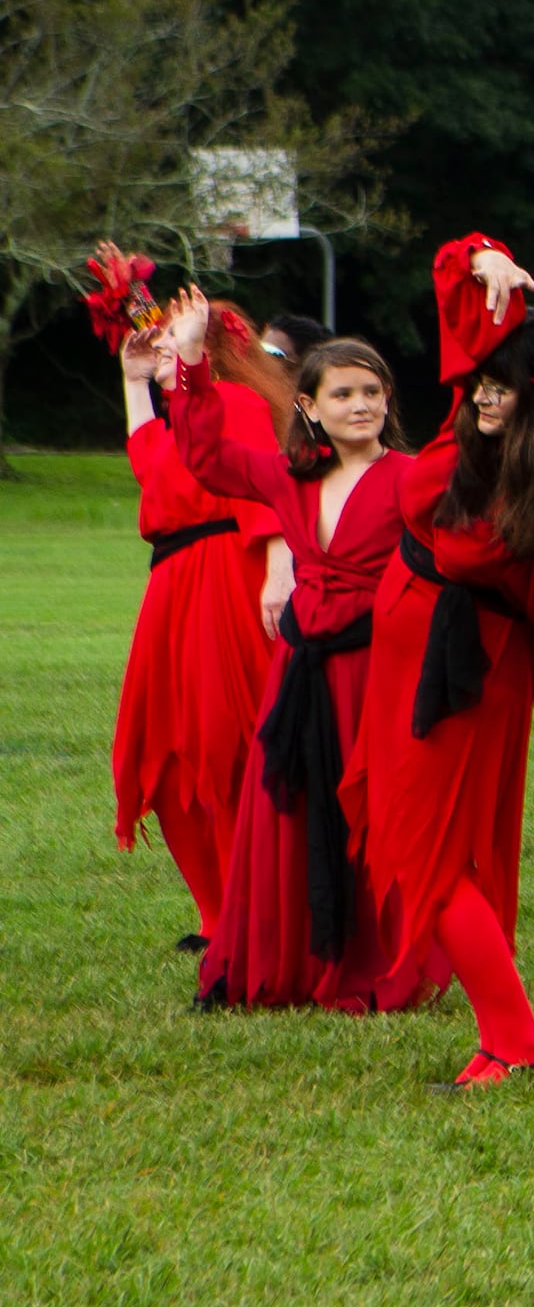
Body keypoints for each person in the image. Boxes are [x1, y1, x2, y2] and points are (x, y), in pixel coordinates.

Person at [345, 236, 534, 1085]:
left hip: (461, 680)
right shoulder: (470, 426)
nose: (482, 392)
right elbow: (452, 290)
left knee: (425, 859)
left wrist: (531, 668)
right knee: (411, 848)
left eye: (503, 384)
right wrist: (488, 262)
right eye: (482, 378)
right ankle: (508, 1039)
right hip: (408, 664)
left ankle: (517, 1044)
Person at [165, 312, 417, 1010]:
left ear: (388, 400)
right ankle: (283, 959)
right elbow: (208, 457)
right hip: (303, 669)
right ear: (307, 406)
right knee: (289, 810)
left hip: (377, 671)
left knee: (373, 813)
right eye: (342, 394)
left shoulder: (414, 479)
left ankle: (371, 964)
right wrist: (190, 361)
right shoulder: (289, 477)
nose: (361, 404)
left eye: (372, 391)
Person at [95, 249, 283, 951]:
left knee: (223, 749)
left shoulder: (235, 405)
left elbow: (266, 494)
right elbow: (148, 456)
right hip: (171, 588)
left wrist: (274, 573)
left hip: (224, 580)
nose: (164, 347)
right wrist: (133, 378)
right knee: (166, 755)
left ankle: (247, 911)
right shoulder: (180, 422)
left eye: (177, 341)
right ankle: (216, 913)